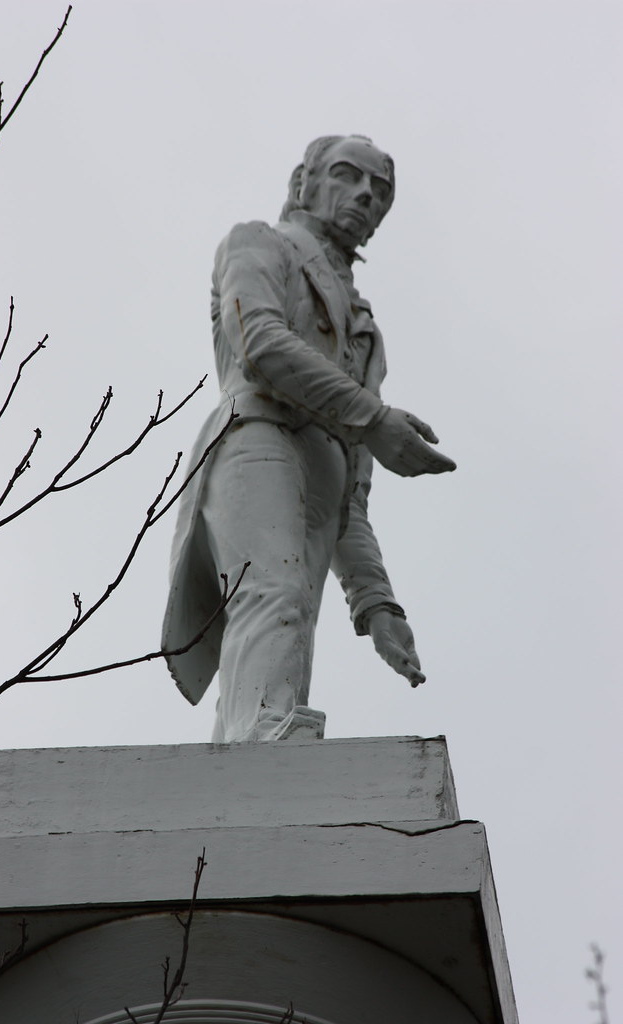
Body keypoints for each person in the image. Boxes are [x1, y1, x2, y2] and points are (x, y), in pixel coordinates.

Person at [162, 135, 456, 742]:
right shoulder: (258, 242)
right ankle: (266, 734)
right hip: (258, 435)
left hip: (323, 481)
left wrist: (375, 602)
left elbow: (353, 491)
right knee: (272, 593)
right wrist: (373, 419)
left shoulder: (366, 334)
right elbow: (262, 344)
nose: (365, 196)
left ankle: (248, 744)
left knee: (291, 620)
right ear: (303, 182)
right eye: (349, 176)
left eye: (381, 192)